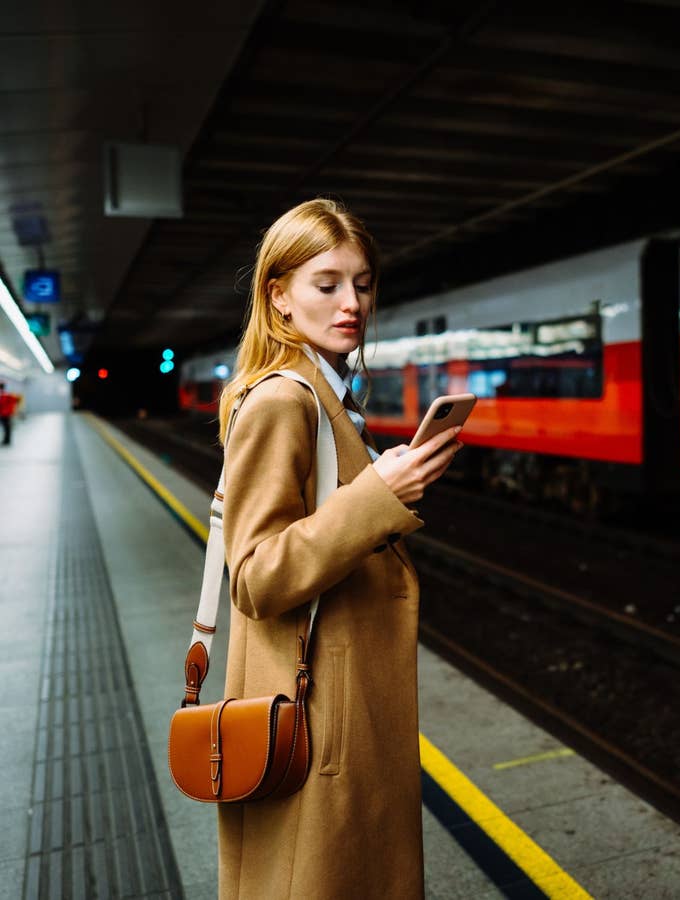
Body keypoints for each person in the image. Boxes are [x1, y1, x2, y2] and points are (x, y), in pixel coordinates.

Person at [215, 198, 461, 898]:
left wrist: (382, 487)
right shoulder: (283, 402)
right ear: (279, 296)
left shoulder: (329, 396)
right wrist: (377, 496)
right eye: (326, 284)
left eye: (362, 283)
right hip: (317, 709)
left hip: (337, 699)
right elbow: (255, 577)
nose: (351, 303)